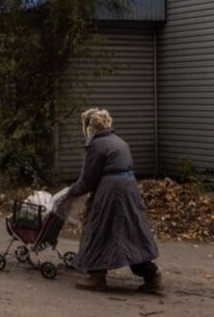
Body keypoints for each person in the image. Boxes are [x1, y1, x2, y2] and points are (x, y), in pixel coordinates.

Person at [59, 108, 161, 293]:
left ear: (89, 127)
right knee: (131, 233)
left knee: (98, 228)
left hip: (111, 193)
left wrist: (69, 192)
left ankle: (96, 276)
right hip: (129, 191)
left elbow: (87, 181)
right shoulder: (119, 142)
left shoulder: (96, 145)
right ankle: (151, 275)